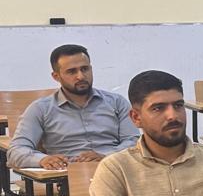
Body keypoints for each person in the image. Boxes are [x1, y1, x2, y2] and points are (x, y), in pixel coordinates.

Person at [7, 44, 137, 169]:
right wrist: (43, 160)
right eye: (71, 71)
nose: (80, 76)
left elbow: (134, 142)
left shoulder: (116, 102)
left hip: (114, 169)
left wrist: (107, 156)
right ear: (56, 76)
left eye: (85, 69)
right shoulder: (40, 109)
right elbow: (16, 151)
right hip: (66, 174)